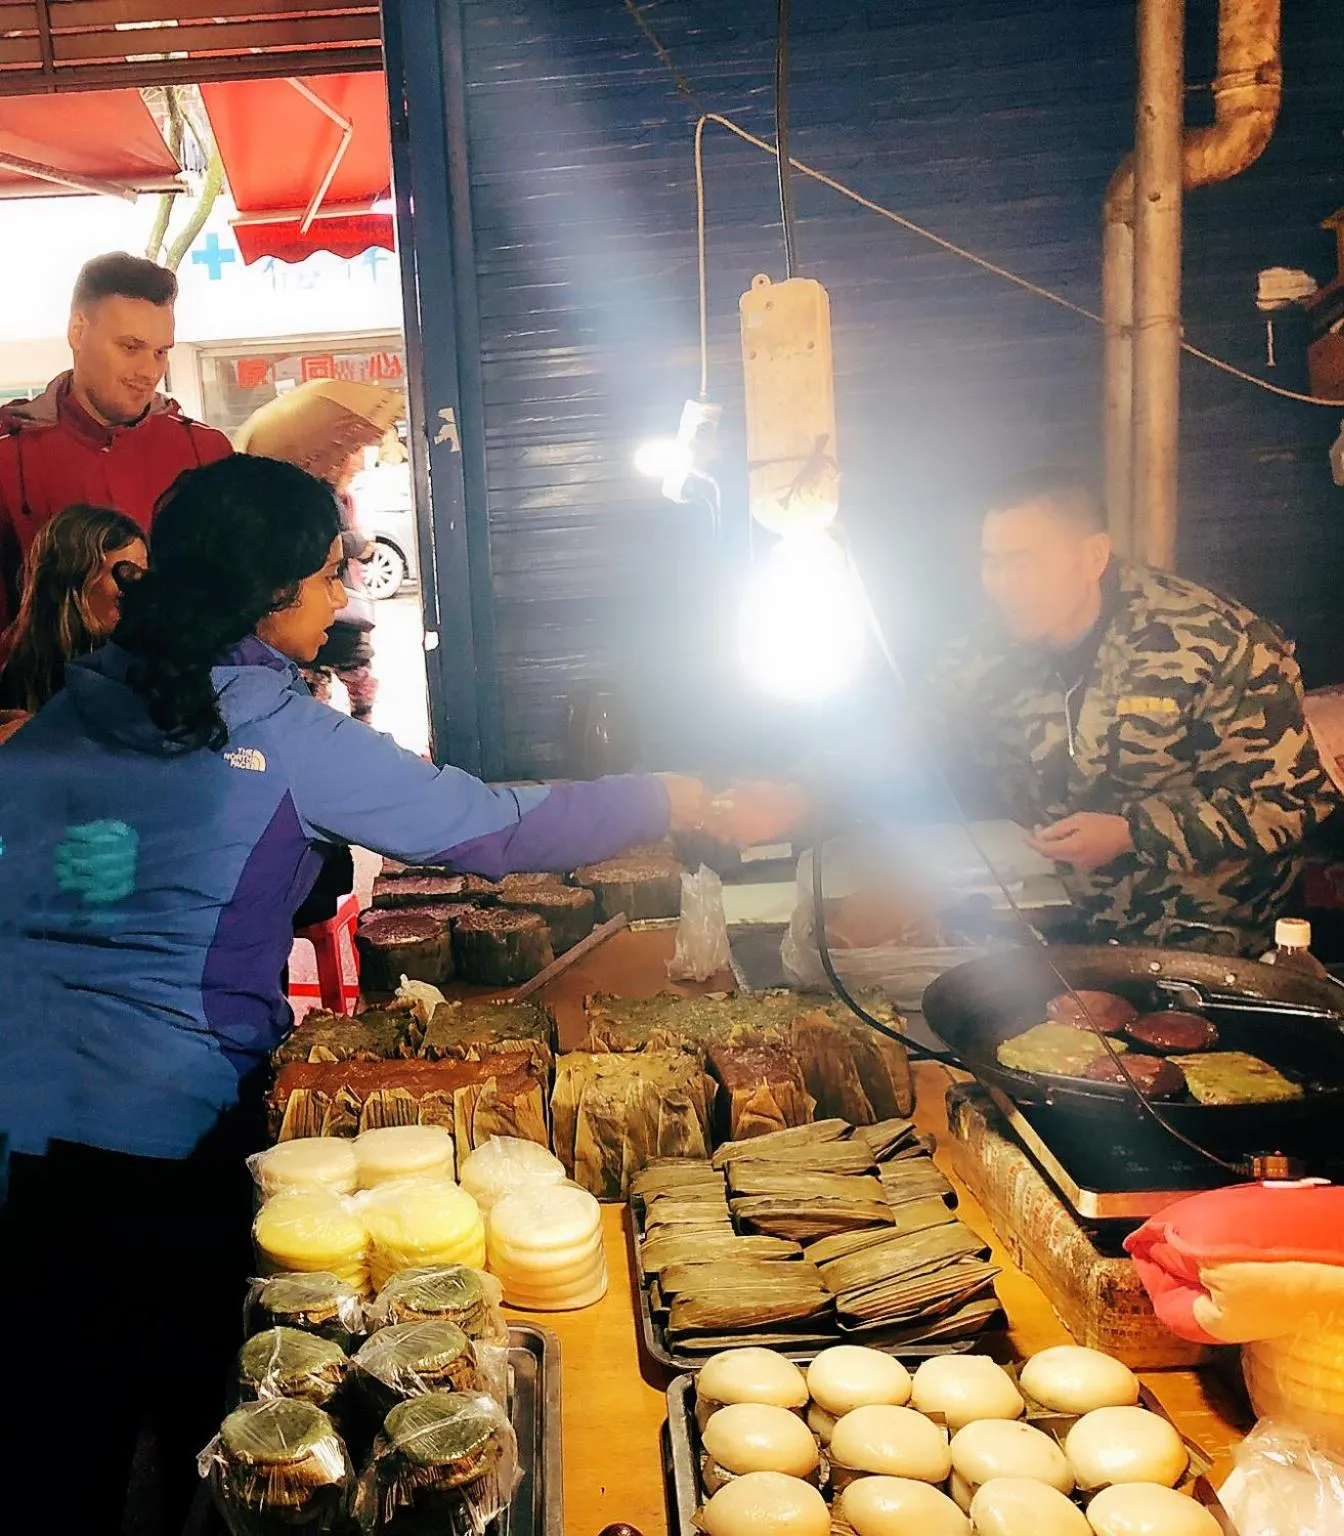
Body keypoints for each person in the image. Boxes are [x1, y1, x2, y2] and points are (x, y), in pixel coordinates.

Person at [0, 453, 784, 1531]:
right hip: (157, 1133)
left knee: (57, 1424)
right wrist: (667, 794)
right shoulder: (268, 732)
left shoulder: (73, 709)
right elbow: (484, 823)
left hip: (24, 1129)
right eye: (328, 573)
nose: (343, 597)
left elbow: (89, 877)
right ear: (260, 591)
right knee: (203, 1427)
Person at [922, 468, 1336, 955]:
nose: (1004, 585)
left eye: (1024, 561)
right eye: (992, 563)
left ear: (1093, 556)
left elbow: (1292, 800)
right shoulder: (987, 645)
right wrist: (816, 787)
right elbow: (914, 725)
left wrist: (1132, 832)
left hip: (1208, 937)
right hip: (1064, 922)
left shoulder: (1213, 642)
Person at [0, 252, 230, 644]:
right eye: (130, 347)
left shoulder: (206, 451)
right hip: (46, 695)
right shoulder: (10, 456)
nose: (149, 371)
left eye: (160, 352)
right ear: (77, 330)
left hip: (181, 690)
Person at [234, 381, 402, 723]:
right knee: (317, 698)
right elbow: (327, 544)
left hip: (331, 618)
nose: (353, 456)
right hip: (321, 620)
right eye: (347, 449)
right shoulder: (309, 500)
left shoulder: (336, 495)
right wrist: (359, 544)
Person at [0, 504, 147, 721]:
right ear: (73, 584)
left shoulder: (150, 667)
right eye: (126, 572)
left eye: (143, 571)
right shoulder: (17, 680)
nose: (141, 587)